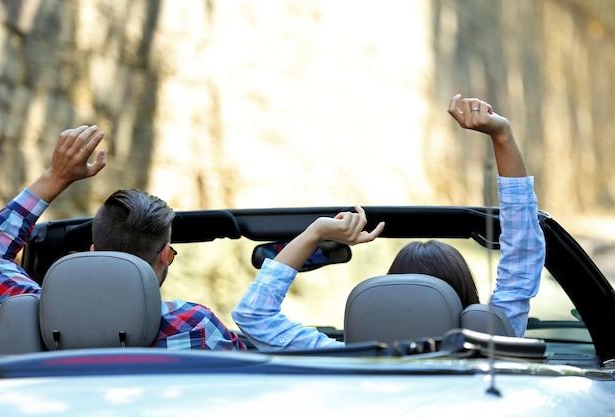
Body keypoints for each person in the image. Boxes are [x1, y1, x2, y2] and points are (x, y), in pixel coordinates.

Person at [232, 93, 546, 350]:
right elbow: (522, 254)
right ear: (464, 299)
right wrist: (501, 134)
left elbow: (254, 315)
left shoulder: (342, 362)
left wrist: (316, 232)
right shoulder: (493, 350)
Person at [0, 125, 246, 350]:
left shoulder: (35, 316)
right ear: (164, 256)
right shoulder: (197, 327)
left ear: (92, 253)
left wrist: (55, 177)